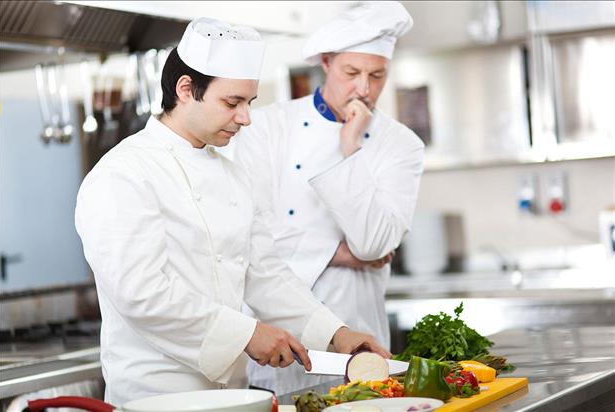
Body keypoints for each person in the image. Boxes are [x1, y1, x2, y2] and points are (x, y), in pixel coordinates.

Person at [75, 17, 389, 405]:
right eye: (232, 102)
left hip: (235, 397)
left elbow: (265, 273)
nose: (245, 117)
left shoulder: (233, 174)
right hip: (157, 398)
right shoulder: (122, 174)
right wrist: (246, 335)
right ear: (186, 89)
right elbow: (141, 294)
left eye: (249, 102)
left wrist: (336, 334)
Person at [230, 2, 425, 394]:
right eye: (352, 73)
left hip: (358, 332)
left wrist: (350, 147)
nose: (364, 89)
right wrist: (340, 253)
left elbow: (374, 242)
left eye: (377, 75)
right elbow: (250, 237)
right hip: (280, 337)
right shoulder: (266, 127)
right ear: (326, 63)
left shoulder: (400, 145)